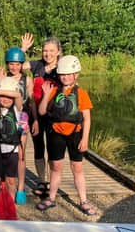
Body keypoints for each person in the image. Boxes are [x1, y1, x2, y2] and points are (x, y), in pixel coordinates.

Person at [37, 55, 96, 216]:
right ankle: (51, 197)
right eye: (62, 74)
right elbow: (42, 111)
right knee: (56, 167)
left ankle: (83, 200)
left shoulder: (81, 93)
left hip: (75, 134)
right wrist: (45, 94)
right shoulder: (53, 91)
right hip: (56, 134)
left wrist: (85, 139)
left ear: (75, 74)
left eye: (68, 74)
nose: (65, 77)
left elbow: (87, 118)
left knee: (77, 167)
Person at [21, 34, 62, 197]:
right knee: (39, 148)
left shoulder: (62, 68)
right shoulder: (37, 65)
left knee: (53, 150)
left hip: (54, 115)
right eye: (45, 50)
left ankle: (53, 182)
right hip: (35, 113)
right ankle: (42, 181)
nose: (48, 54)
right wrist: (23, 49)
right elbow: (17, 65)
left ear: (58, 51)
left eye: (52, 51)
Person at [0, 77, 29, 215]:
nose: (5, 99)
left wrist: (1, 90)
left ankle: (10, 206)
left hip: (12, 150)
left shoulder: (17, 109)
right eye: (2, 97)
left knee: (10, 181)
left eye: (8, 97)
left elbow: (18, 96)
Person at [0, 46, 36, 199]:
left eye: (17, 64)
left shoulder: (27, 80)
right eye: (11, 64)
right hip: (6, 117)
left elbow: (31, 101)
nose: (14, 67)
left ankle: (20, 188)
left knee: (20, 153)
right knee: (5, 152)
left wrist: (36, 120)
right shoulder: (3, 77)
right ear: (7, 64)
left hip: (22, 117)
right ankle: (5, 184)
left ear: (22, 64)